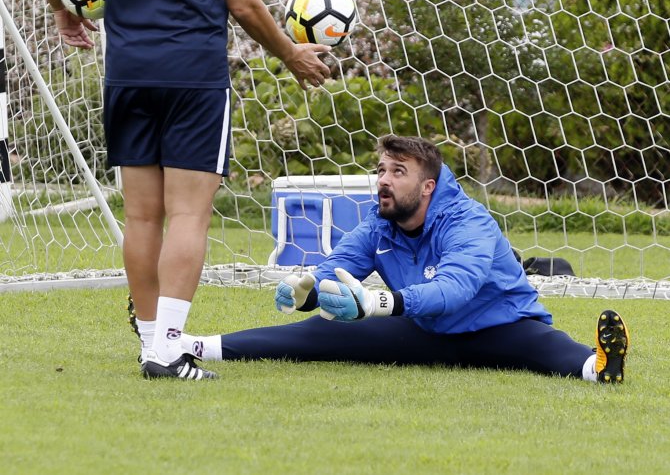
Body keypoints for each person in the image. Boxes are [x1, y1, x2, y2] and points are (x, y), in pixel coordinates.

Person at [33, 0, 330, 381]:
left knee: (142, 217)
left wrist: (63, 10)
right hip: (193, 78)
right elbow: (243, 4)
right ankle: (168, 347)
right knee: (189, 214)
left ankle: (152, 344)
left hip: (128, 75)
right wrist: (293, 54)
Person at [179, 135, 630, 383]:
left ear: (428, 186)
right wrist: (307, 291)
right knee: (317, 335)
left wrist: (379, 303)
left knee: (546, 349)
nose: (383, 180)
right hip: (424, 332)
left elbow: (457, 288)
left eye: (398, 172)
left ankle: (602, 366)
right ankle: (194, 345)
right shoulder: (378, 223)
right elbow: (337, 269)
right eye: (380, 170)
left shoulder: (469, 221)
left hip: (498, 326)